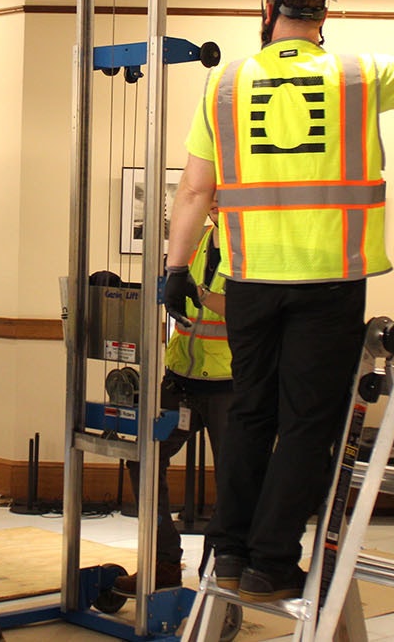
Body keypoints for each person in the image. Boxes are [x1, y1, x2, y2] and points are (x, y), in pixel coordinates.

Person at [165, 0, 394, 602]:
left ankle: (230, 550)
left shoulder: (225, 83)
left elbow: (193, 193)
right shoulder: (358, 76)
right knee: (306, 424)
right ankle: (271, 559)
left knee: (249, 416)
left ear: (266, 4)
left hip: (249, 280)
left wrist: (177, 270)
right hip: (330, 281)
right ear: (323, 11)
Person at [113, 201, 232, 595]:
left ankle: (219, 579)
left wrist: (194, 292)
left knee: (234, 481)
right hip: (181, 377)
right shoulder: (198, 244)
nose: (213, 200)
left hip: (230, 383)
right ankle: (164, 563)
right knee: (143, 458)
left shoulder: (252, 249)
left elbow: (251, 311)